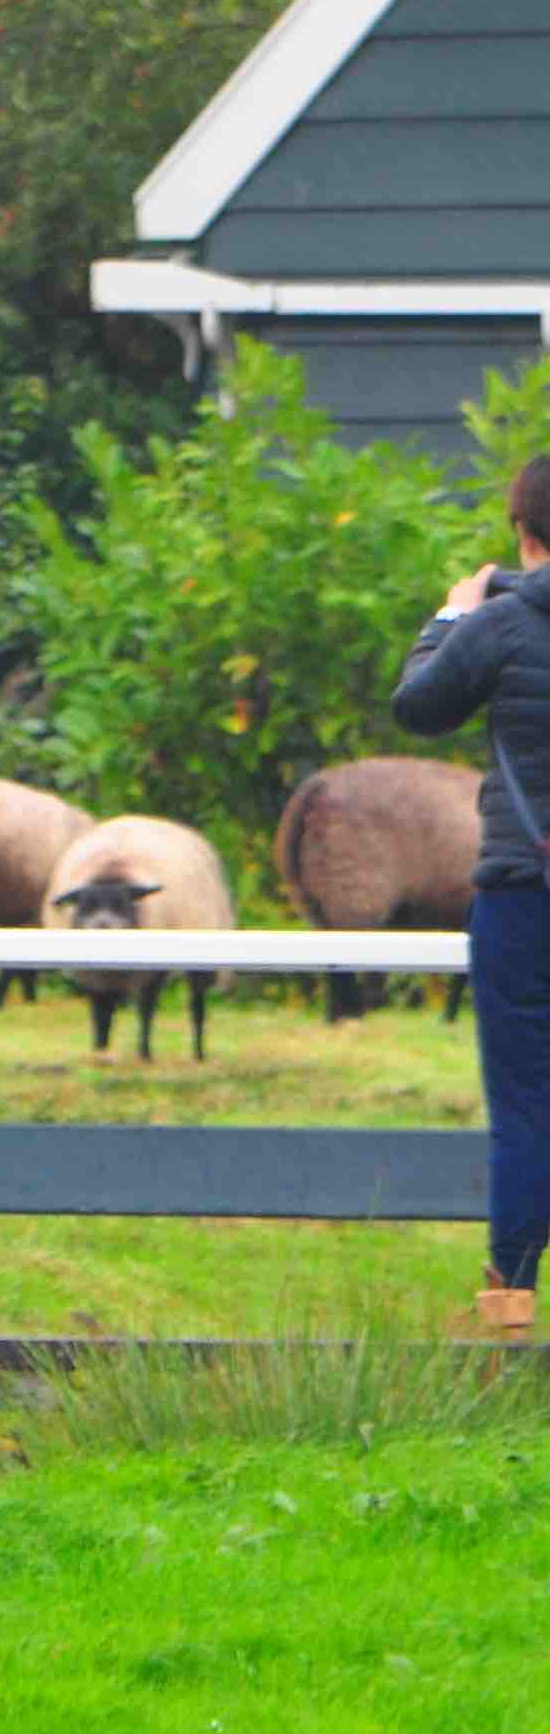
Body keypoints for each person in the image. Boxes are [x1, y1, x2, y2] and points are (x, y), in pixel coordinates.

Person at [391, 452, 550, 1332]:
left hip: (524, 891)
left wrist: (453, 610)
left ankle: (510, 1302)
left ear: (523, 531)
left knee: (526, 1100)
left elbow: (418, 705)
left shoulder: (499, 625)